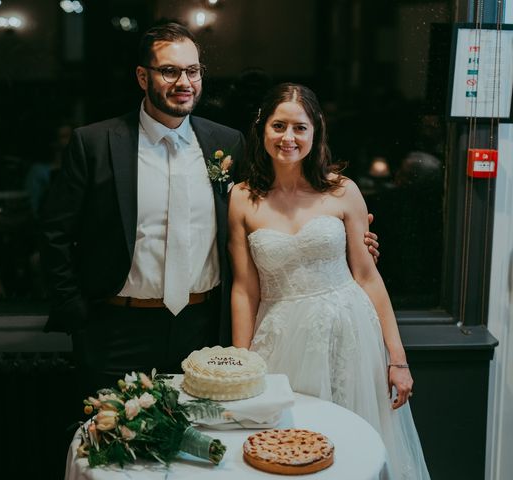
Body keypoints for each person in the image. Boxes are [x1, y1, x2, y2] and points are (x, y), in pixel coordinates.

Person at [40, 24, 379, 395]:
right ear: (142, 76)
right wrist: (78, 315)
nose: (183, 81)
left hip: (204, 331)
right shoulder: (95, 143)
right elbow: (55, 235)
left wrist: (345, 242)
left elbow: (268, 213)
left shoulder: (226, 142)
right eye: (169, 71)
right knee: (116, 447)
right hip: (117, 329)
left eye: (193, 71)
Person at [229, 83, 429, 479]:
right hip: (281, 339)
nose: (288, 137)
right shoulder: (242, 197)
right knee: (285, 450)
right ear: (262, 129)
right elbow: (244, 289)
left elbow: (368, 277)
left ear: (316, 130)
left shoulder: (343, 191)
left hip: (349, 334)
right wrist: (242, 364)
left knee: (352, 450)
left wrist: (398, 359)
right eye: (279, 126)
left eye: (299, 128)